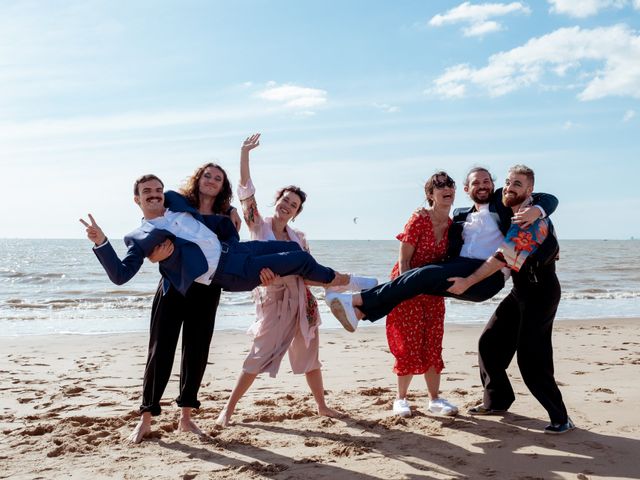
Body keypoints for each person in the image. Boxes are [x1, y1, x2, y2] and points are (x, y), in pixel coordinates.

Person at [216, 134, 372, 426]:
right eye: (285, 200)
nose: (287, 205)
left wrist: (328, 285)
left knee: (311, 357)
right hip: (272, 301)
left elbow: (309, 274)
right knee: (257, 355)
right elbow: (245, 193)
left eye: (294, 204)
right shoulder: (257, 225)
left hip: (302, 301)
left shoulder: (299, 239)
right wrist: (244, 154)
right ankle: (228, 410)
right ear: (276, 201)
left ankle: (322, 406)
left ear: (297, 212)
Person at [325, 167, 558, 332]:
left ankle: (357, 299)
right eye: (476, 182)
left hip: (486, 275)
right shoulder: (459, 217)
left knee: (422, 276)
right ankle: (359, 313)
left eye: (487, 181)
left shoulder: (503, 203)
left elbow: (548, 198)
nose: (482, 185)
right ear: (466, 189)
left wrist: (537, 209)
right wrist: (422, 214)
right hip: (460, 267)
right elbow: (436, 231)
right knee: (418, 280)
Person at [111, 162, 241, 444]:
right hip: (173, 286)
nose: (211, 181)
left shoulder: (224, 216)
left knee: (197, 351)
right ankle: (145, 418)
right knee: (160, 350)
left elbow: (230, 250)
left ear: (222, 186)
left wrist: (232, 212)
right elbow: (152, 224)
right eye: (207, 175)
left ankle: (186, 418)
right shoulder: (177, 202)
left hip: (207, 289)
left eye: (217, 178)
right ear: (198, 179)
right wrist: (153, 257)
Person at [447, 165, 574, 434]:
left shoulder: (533, 221)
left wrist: (469, 282)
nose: (508, 187)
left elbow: (502, 258)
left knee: (532, 358)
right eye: (506, 182)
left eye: (516, 183)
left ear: (529, 191)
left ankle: (561, 417)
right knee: (490, 343)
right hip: (521, 291)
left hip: (542, 292)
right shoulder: (512, 212)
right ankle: (497, 401)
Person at [387, 171, 459, 418]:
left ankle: (434, 399)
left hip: (433, 293)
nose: (446, 188)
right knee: (407, 344)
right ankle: (401, 399)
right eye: (439, 186)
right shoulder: (418, 220)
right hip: (407, 287)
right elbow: (404, 261)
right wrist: (405, 293)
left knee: (433, 342)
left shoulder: (452, 226)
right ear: (430, 194)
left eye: (450, 184)